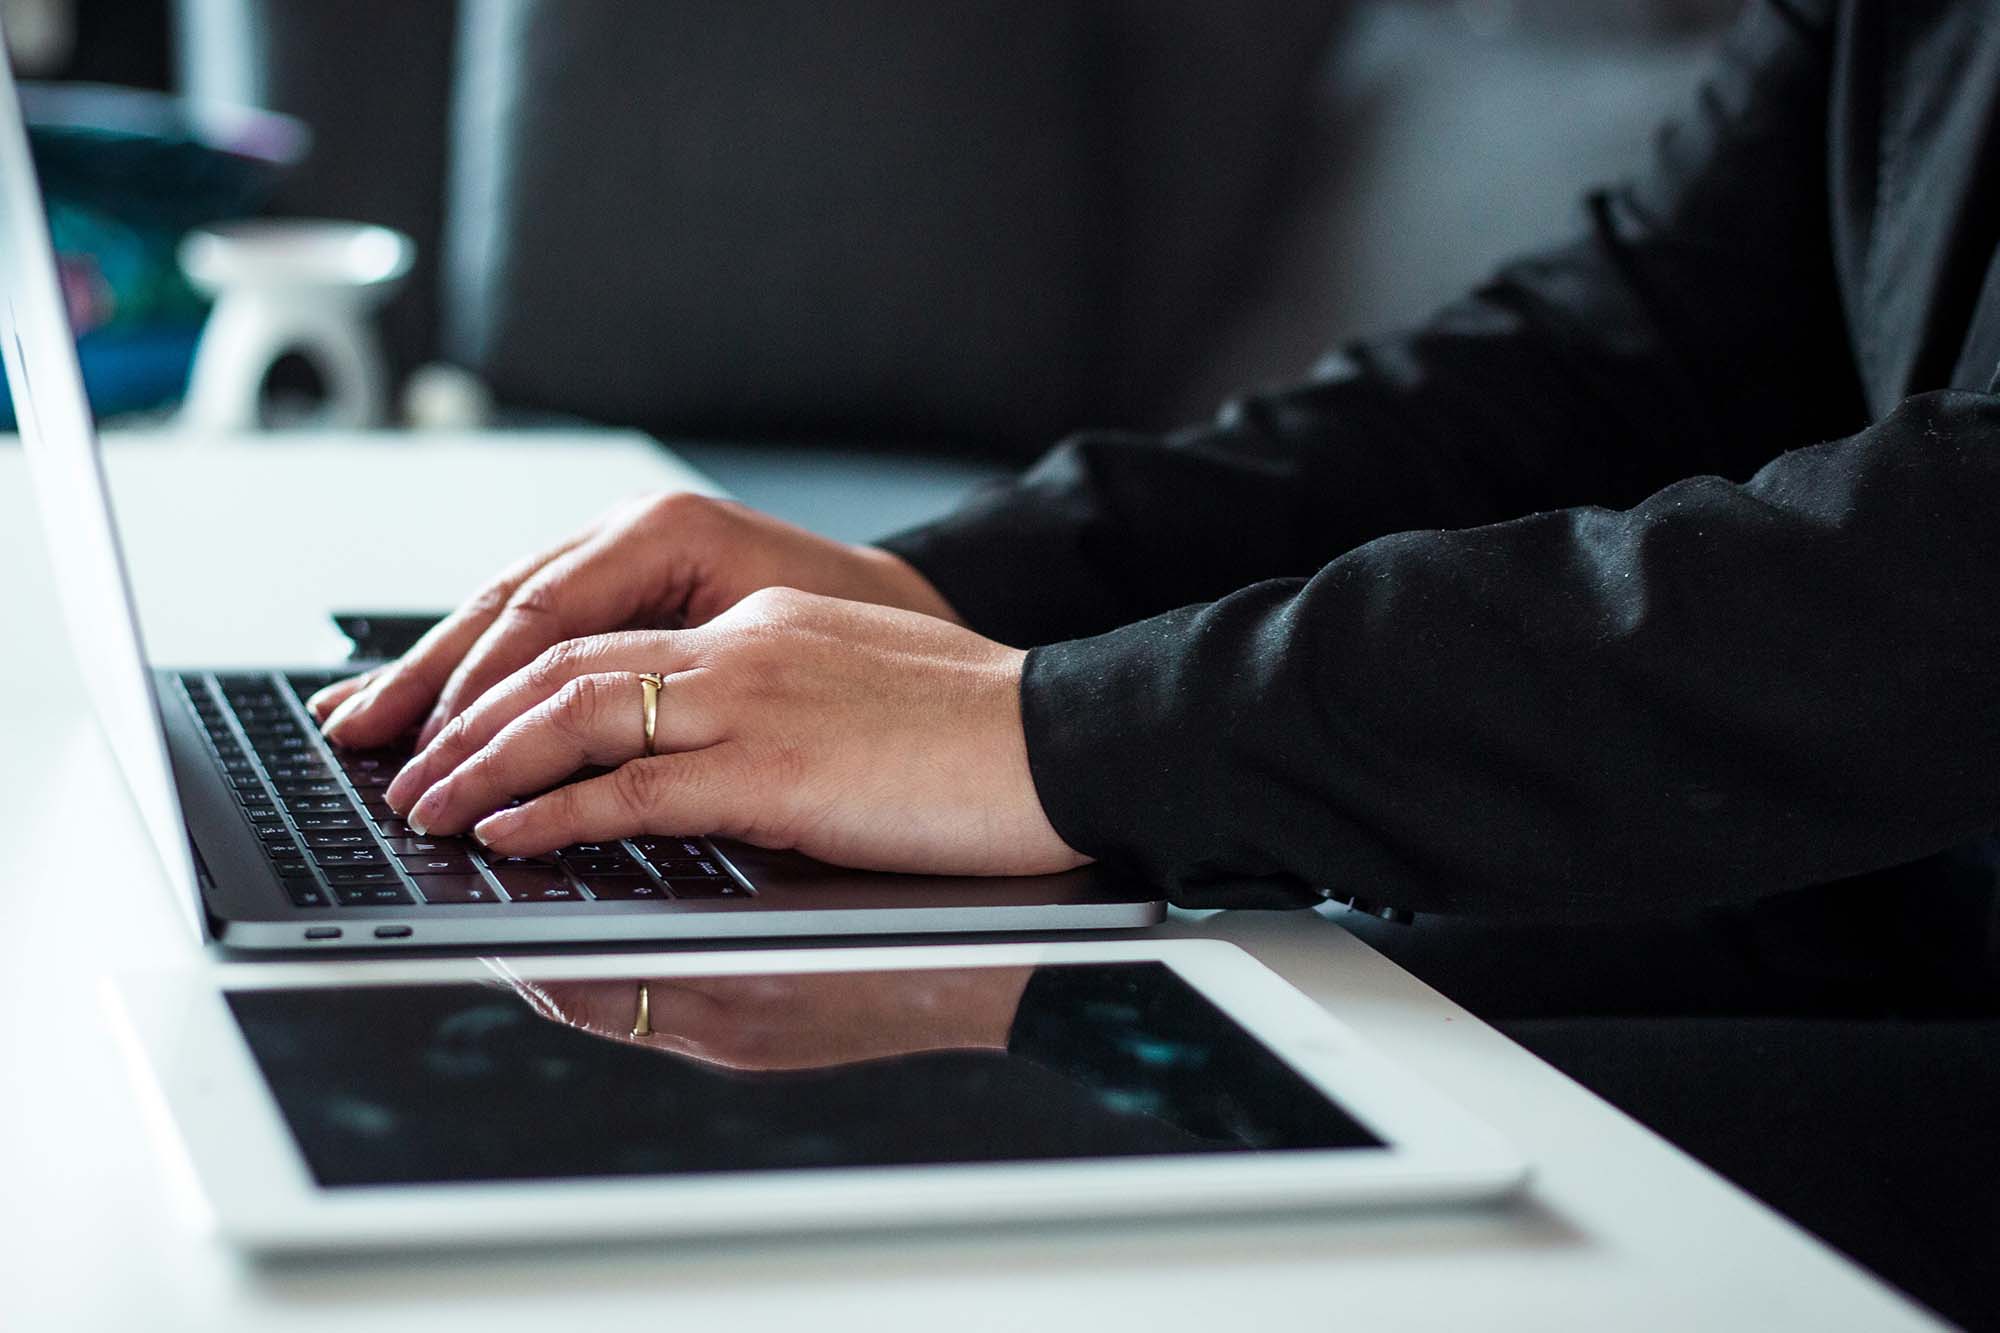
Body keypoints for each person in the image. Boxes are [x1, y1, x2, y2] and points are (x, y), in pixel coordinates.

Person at [309, 2, 2000, 1323]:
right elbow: (1619, 353)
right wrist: (940, 591)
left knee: (1041, 1181)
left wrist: (1065, 734)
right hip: (1860, 889)